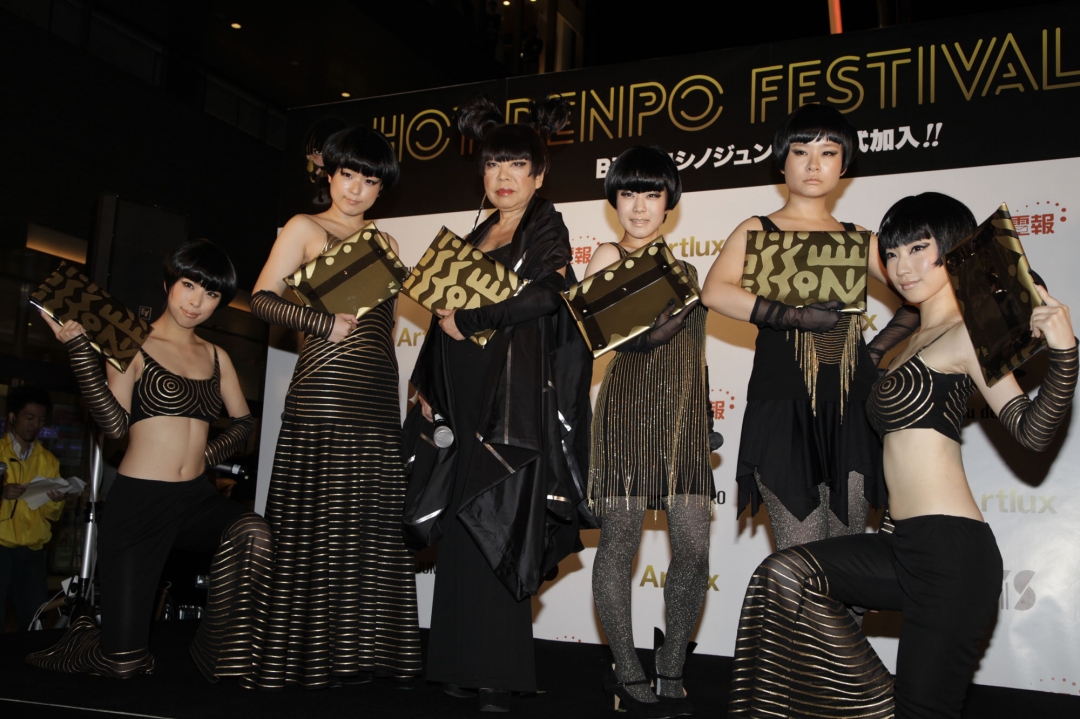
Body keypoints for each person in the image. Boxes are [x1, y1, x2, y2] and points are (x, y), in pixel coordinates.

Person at [727, 192, 1077, 718]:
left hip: (951, 552)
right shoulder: (904, 345)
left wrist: (1065, 353)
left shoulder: (968, 335)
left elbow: (1031, 431)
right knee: (784, 576)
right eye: (890, 253)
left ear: (955, 251)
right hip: (898, 543)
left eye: (918, 249)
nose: (901, 266)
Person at [409, 95, 591, 712]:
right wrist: (426, 383)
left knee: (499, 515)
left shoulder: (546, 225)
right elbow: (439, 316)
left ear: (539, 175)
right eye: (492, 164)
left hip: (509, 397)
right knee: (462, 516)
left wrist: (473, 319)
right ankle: (457, 662)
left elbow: (546, 298)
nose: (503, 176)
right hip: (461, 392)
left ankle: (496, 672)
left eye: (516, 165)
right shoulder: (475, 233)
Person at [28, 240, 270, 680]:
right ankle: (81, 642)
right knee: (125, 664)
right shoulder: (132, 342)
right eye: (189, 285)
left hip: (195, 499)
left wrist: (204, 455)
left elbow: (242, 424)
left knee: (254, 532)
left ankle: (213, 649)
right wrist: (80, 350)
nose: (196, 301)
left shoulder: (217, 356)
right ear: (168, 284)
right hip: (138, 504)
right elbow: (114, 426)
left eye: (211, 293)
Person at [247, 125, 422, 688]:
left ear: (381, 189)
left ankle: (358, 652)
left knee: (368, 525)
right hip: (322, 391)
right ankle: (306, 654)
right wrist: (320, 322)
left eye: (370, 181)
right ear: (329, 174)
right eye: (348, 175)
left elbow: (384, 327)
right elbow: (260, 299)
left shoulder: (385, 242)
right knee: (316, 523)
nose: (356, 189)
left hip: (375, 395)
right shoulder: (305, 227)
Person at [701, 104, 917, 549]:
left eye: (828, 152)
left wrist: (875, 352)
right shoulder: (759, 229)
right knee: (799, 557)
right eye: (801, 151)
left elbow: (919, 296)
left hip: (851, 407)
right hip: (782, 404)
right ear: (782, 161)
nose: (814, 164)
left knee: (845, 556)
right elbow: (715, 292)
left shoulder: (859, 238)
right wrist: (792, 316)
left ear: (844, 164)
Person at [585, 146, 711, 718]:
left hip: (684, 420)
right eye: (628, 193)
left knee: (694, 547)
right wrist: (653, 333)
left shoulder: (688, 273)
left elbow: (695, 353)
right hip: (627, 415)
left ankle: (671, 663)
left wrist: (704, 417)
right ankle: (625, 668)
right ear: (614, 200)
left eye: (651, 194)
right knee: (619, 544)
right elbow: (601, 334)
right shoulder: (607, 256)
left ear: (669, 202)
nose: (639, 206)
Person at [0, 386, 65, 631]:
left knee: (34, 618)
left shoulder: (48, 460)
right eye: (29, 417)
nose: (35, 425)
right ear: (12, 417)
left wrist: (56, 499)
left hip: (32, 550)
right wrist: (2, 492)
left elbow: (52, 515)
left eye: (41, 419)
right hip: (1, 545)